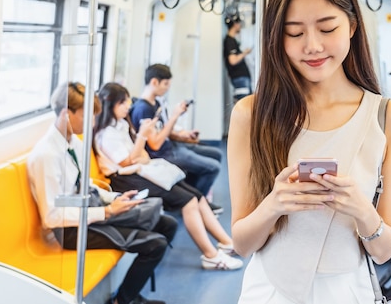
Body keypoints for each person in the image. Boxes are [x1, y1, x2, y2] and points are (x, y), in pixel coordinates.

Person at [227, 0, 391, 304]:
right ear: (276, 37)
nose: (312, 45)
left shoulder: (388, 118)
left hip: (347, 291)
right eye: (294, 33)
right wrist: (273, 205)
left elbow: (383, 251)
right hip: (270, 290)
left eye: (327, 28)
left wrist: (360, 208)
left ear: (352, 26)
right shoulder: (251, 115)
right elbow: (241, 243)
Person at [27, 82, 178, 304]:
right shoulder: (47, 156)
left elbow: (84, 183)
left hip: (89, 213)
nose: (93, 123)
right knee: (156, 244)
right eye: (88, 116)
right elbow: (52, 217)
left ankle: (130, 294)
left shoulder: (73, 143)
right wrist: (106, 212)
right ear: (66, 114)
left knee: (167, 224)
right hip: (69, 231)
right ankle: (122, 301)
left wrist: (114, 199)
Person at [94, 82, 243, 271]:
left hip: (140, 170)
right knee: (188, 201)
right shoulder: (107, 134)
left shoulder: (121, 125)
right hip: (125, 179)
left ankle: (226, 242)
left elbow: (140, 156)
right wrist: (142, 137)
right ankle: (211, 256)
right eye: (122, 103)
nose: (128, 106)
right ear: (110, 105)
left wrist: (139, 148)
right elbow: (128, 162)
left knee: (197, 195)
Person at [129, 64, 223, 214]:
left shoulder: (157, 103)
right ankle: (196, 203)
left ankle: (194, 195)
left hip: (171, 145)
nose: (167, 88)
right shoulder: (143, 109)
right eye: (165, 84)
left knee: (216, 154)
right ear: (154, 82)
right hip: (162, 153)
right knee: (213, 167)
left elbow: (165, 131)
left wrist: (183, 135)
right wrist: (174, 116)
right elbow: (155, 144)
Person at [223, 13, 253, 101]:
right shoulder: (229, 41)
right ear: (235, 24)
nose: (240, 25)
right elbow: (233, 60)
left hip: (241, 78)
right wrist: (245, 53)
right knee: (244, 107)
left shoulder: (232, 41)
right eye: (239, 23)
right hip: (240, 78)